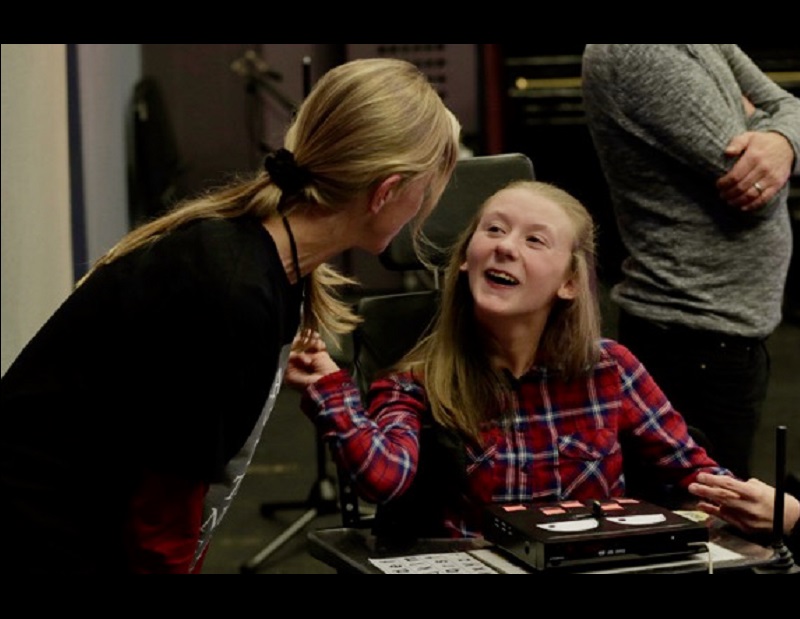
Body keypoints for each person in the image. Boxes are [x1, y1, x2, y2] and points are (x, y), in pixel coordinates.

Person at [0, 57, 462, 574]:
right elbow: (163, 516)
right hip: (43, 535)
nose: (421, 211)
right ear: (386, 191)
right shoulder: (231, 290)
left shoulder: (268, 261)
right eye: (422, 193)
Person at [286, 179, 800, 556]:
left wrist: (783, 511)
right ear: (466, 258)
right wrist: (330, 389)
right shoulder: (418, 383)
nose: (506, 246)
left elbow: (696, 476)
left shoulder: (610, 369)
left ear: (569, 283)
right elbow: (382, 478)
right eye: (494, 231)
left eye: (534, 240)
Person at [580, 44, 800, 481]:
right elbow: (759, 193)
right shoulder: (638, 54)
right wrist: (765, 125)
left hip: (725, 328)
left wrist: (780, 138)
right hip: (690, 332)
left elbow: (790, 104)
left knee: (726, 511)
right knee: (708, 522)